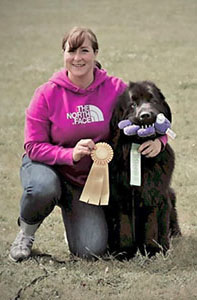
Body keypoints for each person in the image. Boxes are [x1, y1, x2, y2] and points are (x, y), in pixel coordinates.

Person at [9, 26, 167, 262]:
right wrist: (69, 154)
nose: (77, 58)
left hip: (87, 183)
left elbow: (145, 111)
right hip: (48, 168)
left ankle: (73, 221)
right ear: (63, 54)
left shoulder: (115, 88)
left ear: (95, 53)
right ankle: (26, 233)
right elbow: (33, 146)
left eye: (84, 50)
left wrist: (160, 141)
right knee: (42, 188)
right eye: (71, 51)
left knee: (91, 250)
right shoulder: (46, 94)